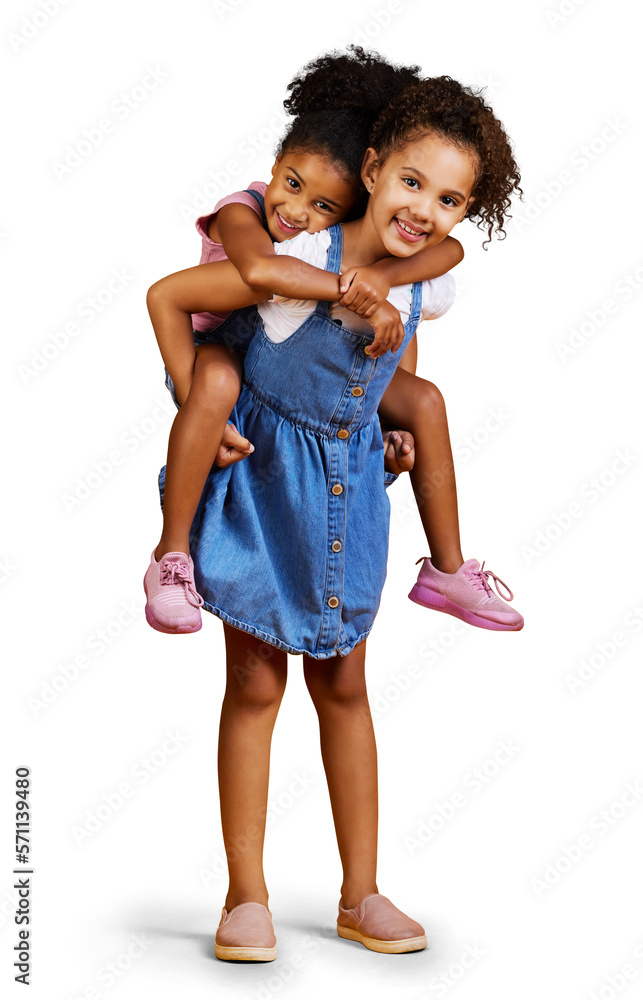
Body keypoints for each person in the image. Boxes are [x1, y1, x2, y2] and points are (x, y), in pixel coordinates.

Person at [146, 72, 522, 959]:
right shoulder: (302, 262)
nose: (426, 210)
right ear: (374, 166)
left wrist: (391, 415)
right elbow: (173, 298)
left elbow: (417, 313)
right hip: (265, 492)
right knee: (257, 686)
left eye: (451, 198)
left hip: (348, 500)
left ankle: (361, 893)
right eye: (411, 183)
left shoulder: (429, 272)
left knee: (347, 687)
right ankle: (246, 898)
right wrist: (191, 393)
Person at [143, 48, 523, 637]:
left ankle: (448, 570)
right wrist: (352, 293)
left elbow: (442, 265)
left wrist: (385, 290)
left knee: (424, 401)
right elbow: (257, 274)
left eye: (323, 206)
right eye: (292, 186)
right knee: (217, 383)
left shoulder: (386, 248)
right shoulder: (254, 221)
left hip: (297, 360)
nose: (297, 212)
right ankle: (171, 556)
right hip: (215, 348)